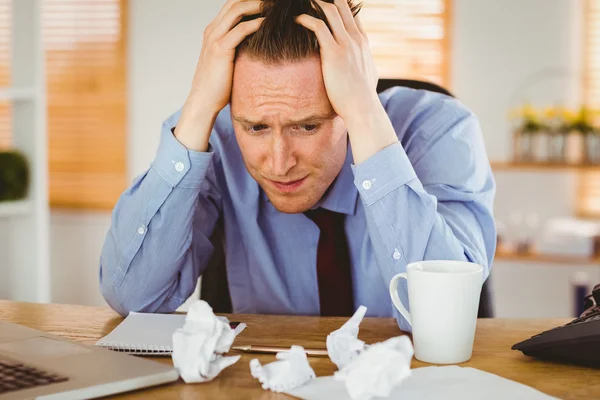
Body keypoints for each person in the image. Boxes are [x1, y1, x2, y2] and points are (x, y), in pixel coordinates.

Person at [99, 0, 496, 331]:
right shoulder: (212, 138)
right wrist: (200, 103)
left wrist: (364, 115)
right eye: (254, 126)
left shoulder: (440, 129)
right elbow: (134, 298)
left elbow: (445, 318)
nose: (278, 162)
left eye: (307, 125)